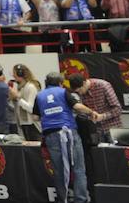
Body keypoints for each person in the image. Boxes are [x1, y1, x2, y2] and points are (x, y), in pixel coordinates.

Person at [34, 72, 90, 203]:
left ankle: (62, 199)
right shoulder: (63, 92)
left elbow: (35, 117)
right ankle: (80, 200)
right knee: (78, 169)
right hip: (68, 132)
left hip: (50, 134)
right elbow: (77, 107)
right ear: (60, 83)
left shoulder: (39, 95)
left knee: (59, 171)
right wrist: (91, 112)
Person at [65, 72, 122, 145]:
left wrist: (102, 116)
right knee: (100, 154)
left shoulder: (103, 86)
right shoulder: (80, 93)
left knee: (116, 154)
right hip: (96, 131)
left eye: (80, 90)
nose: (80, 93)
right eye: (77, 92)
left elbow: (118, 109)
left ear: (84, 82)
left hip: (113, 128)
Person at [13, 63, 42, 141]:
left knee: (34, 151)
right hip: (25, 124)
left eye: (14, 73)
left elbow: (31, 108)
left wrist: (18, 99)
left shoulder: (30, 87)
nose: (13, 75)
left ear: (20, 74)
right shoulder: (22, 87)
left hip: (32, 125)